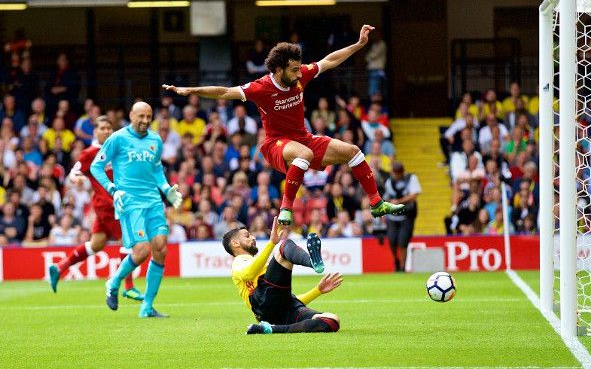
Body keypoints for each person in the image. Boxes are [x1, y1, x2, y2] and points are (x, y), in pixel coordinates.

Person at [163, 24, 404, 226]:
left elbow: (329, 61)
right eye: (294, 70)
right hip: (276, 144)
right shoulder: (261, 87)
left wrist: (359, 45)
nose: (300, 74)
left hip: (303, 138)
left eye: (300, 69)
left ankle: (376, 203)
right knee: (304, 154)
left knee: (353, 152)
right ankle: (286, 208)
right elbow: (224, 91)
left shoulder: (300, 75)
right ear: (278, 70)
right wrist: (190, 90)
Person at [90, 102, 183, 318]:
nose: (144, 120)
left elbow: (157, 168)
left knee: (160, 248)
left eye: (148, 116)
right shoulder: (118, 138)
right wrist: (113, 190)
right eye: (140, 116)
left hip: (153, 202)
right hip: (130, 202)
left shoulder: (155, 140)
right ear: (131, 115)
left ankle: (147, 307)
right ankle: (113, 282)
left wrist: (167, 188)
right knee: (142, 250)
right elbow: (96, 166)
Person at [48, 116, 143, 301]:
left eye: (109, 127)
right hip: (109, 206)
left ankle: (60, 267)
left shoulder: (117, 149)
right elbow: (75, 172)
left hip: (110, 205)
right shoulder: (90, 153)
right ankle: (129, 286)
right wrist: (77, 178)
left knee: (96, 244)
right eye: (102, 128)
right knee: (130, 242)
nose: (107, 131)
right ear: (95, 132)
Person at [223, 218, 342, 334]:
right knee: (284, 245)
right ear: (235, 243)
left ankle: (270, 329)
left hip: (278, 313)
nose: (253, 238)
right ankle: (312, 262)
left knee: (332, 320)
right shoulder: (239, 261)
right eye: (247, 236)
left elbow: (285, 300)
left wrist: (318, 290)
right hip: (262, 303)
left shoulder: (261, 267)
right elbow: (248, 274)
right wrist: (271, 244)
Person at [383, 162, 422, 272]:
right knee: (392, 240)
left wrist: (399, 202)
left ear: (402, 172)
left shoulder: (411, 178)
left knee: (403, 241)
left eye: (397, 174)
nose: (395, 176)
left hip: (407, 215)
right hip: (392, 216)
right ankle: (396, 260)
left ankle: (403, 267)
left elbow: (414, 195)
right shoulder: (389, 181)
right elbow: (386, 197)